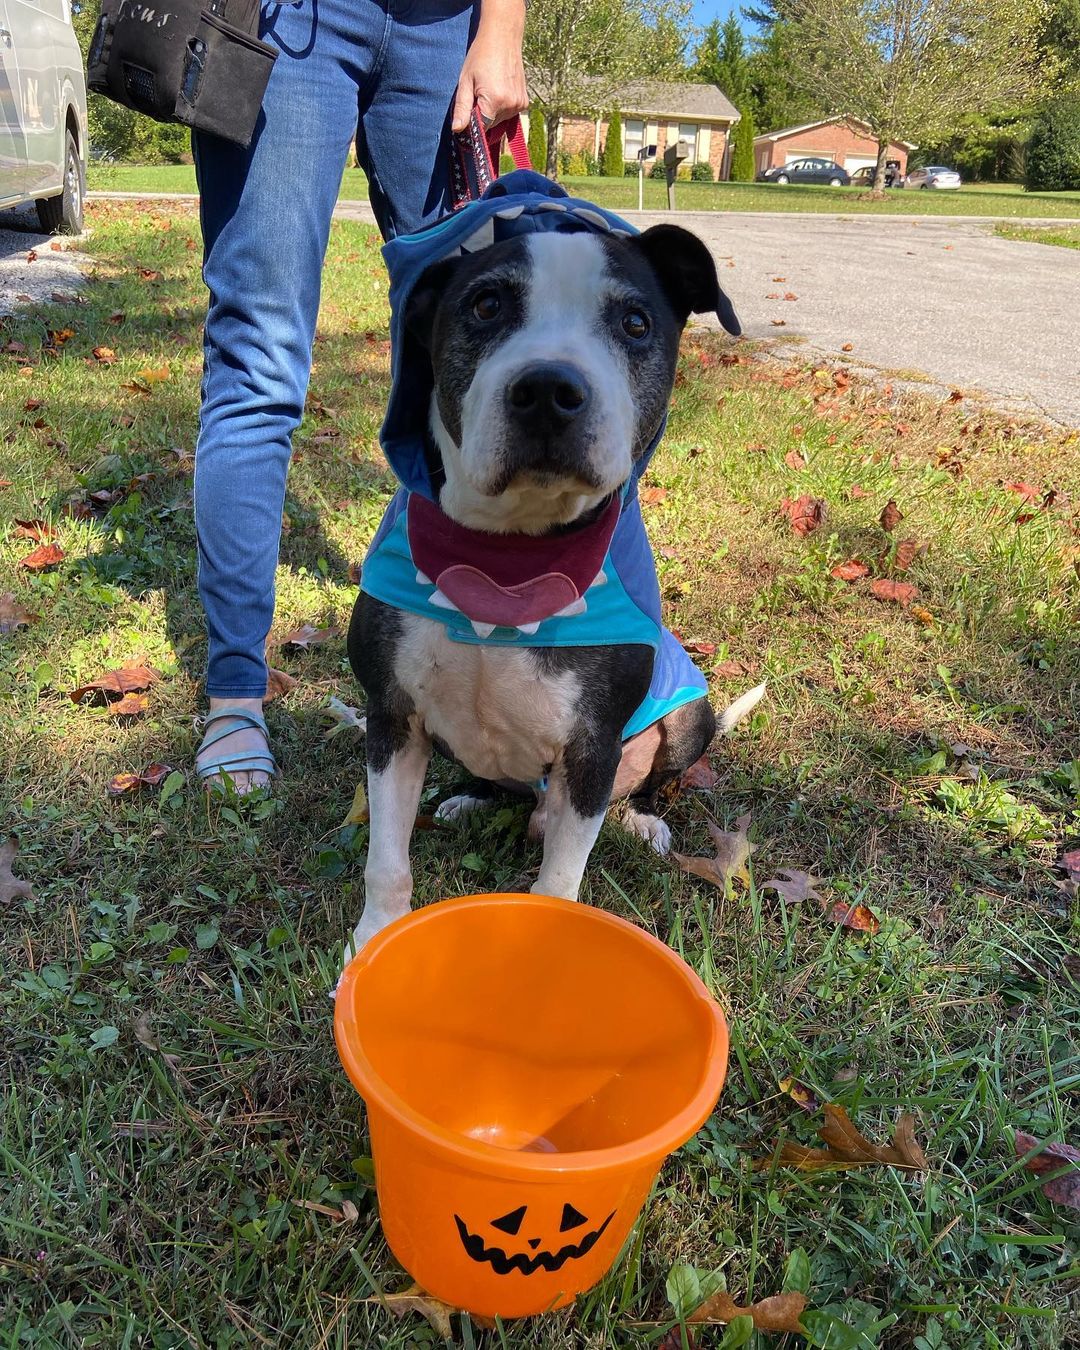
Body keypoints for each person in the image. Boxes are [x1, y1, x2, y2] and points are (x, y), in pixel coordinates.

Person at [192, 0, 528, 790]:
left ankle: (485, 675)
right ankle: (235, 695)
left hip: (448, 29)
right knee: (260, 352)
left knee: (477, 355)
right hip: (289, 21)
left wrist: (504, 25)